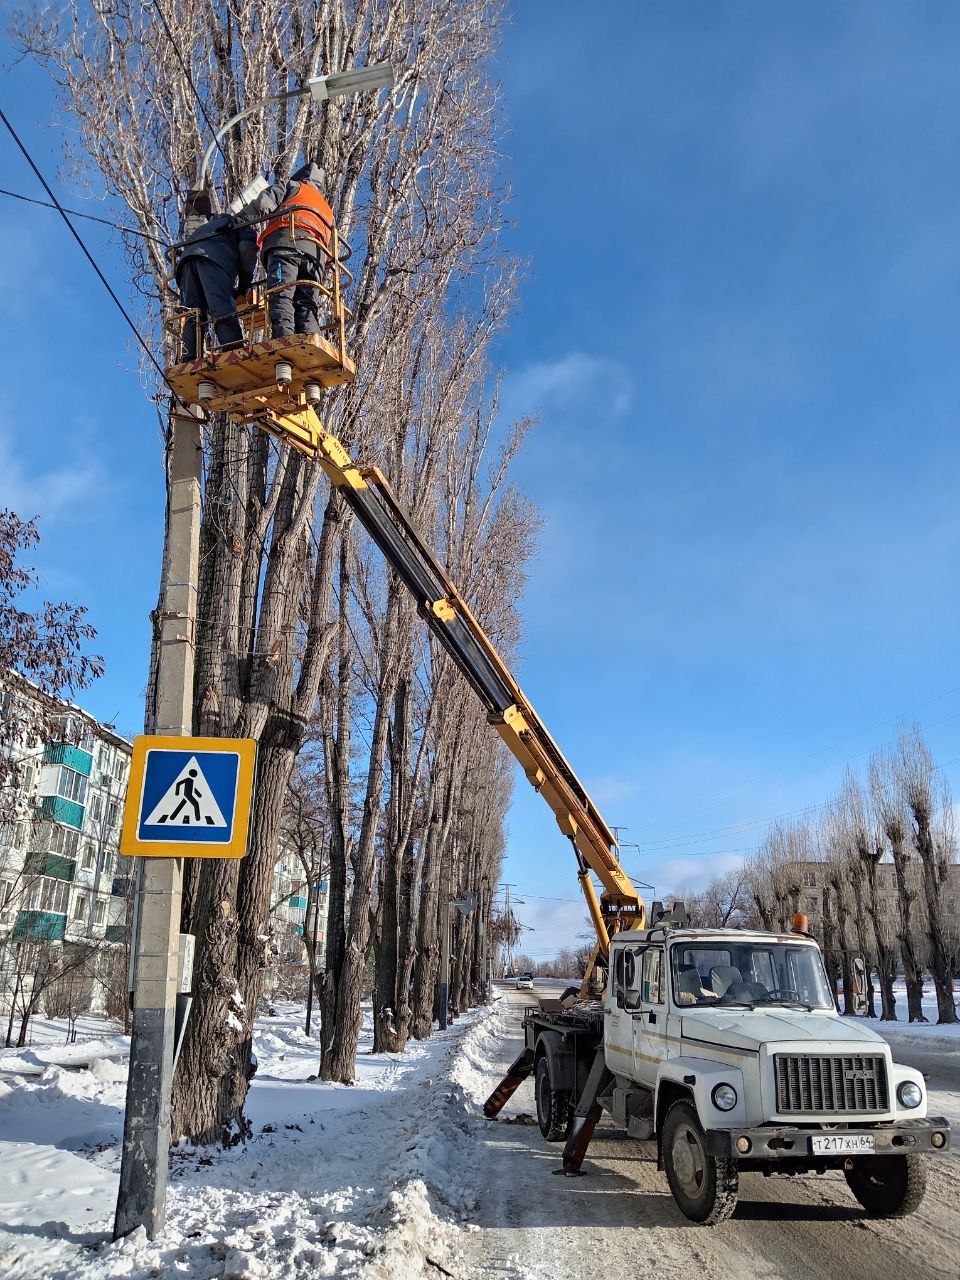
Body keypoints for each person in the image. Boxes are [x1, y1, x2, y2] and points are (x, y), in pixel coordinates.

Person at [237, 162, 333, 339]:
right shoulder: (327, 209)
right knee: (307, 302)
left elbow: (263, 204)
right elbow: (333, 249)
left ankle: (284, 338)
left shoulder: (292, 186)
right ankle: (310, 339)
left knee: (281, 294)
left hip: (286, 247)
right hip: (316, 260)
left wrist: (238, 220)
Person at [174, 190, 257, 360]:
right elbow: (247, 250)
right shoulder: (240, 224)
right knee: (222, 307)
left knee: (193, 313)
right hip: (212, 259)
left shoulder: (205, 227)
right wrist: (244, 284)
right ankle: (233, 351)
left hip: (185, 265)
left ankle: (189, 358)